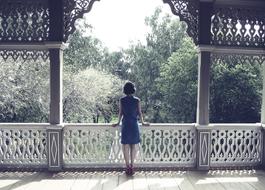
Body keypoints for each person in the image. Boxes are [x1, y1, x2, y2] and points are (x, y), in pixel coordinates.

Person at [112, 81, 149, 175]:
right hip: (133, 124)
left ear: (124, 90)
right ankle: (132, 166)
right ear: (133, 89)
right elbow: (139, 113)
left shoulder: (122, 100)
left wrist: (117, 122)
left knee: (125, 146)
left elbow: (120, 113)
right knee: (133, 146)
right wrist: (143, 122)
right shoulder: (137, 100)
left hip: (125, 124)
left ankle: (127, 166)